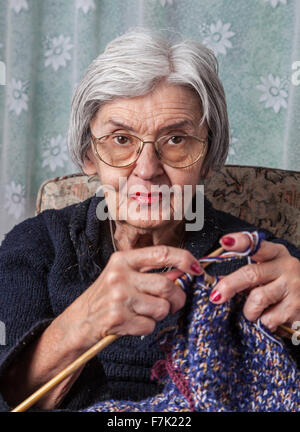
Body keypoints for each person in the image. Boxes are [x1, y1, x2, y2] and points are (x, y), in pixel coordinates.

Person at [0, 29, 299, 412]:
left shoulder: (259, 261)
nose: (147, 169)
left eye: (176, 140)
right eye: (121, 139)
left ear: (207, 159)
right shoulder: (38, 245)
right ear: (89, 155)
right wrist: (82, 324)